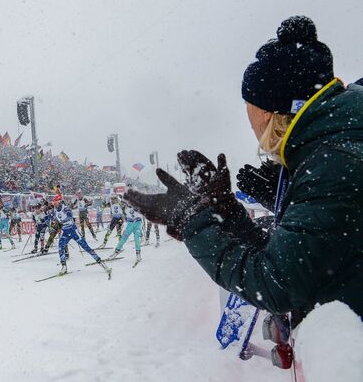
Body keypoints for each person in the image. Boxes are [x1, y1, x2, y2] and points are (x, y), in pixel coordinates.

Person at [124, 16, 363, 324]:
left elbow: (276, 285)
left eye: (251, 110)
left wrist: (191, 219)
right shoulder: (330, 145)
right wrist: (227, 213)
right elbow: (292, 262)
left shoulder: (332, 165)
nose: (250, 124)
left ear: (274, 114)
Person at [52, 195, 111, 278]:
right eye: (53, 202)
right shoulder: (54, 210)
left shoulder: (65, 208)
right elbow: (52, 218)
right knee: (60, 247)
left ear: (59, 201)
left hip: (73, 231)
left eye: (55, 202)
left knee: (86, 247)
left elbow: (69, 216)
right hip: (65, 232)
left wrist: (61, 221)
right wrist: (45, 221)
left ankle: (100, 262)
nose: (54, 203)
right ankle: (64, 267)